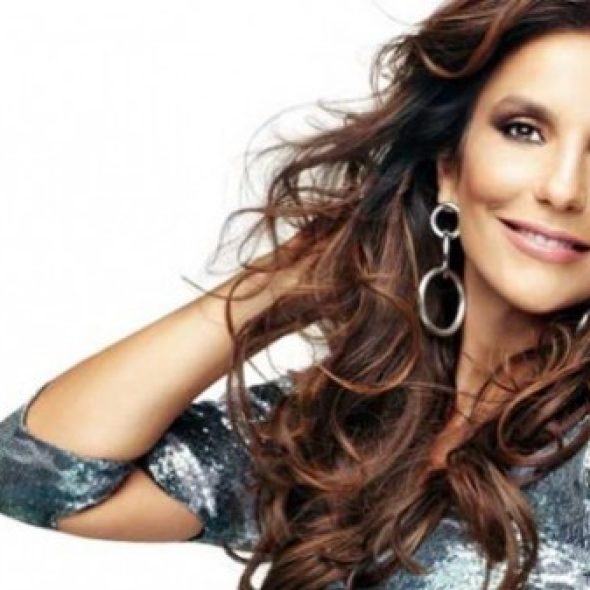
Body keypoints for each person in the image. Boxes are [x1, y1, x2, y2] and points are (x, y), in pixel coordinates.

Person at [1, 0, 590, 588]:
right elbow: (36, 472)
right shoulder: (348, 424)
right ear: (448, 166)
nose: (563, 189)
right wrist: (292, 276)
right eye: (523, 131)